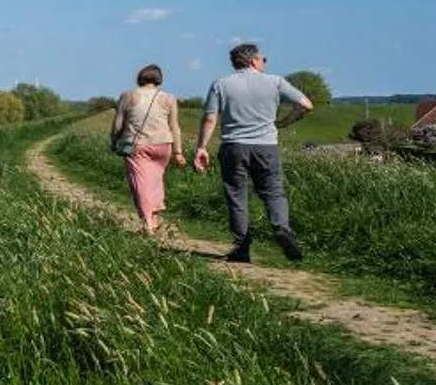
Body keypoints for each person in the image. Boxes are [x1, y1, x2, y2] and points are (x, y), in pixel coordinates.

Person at [193, 41, 311, 262]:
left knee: (237, 196)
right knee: (273, 191)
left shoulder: (221, 84)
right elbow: (306, 104)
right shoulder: (275, 82)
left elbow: (210, 118)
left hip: (233, 145)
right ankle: (281, 227)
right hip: (266, 145)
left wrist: (201, 147)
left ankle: (242, 247)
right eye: (263, 59)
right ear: (254, 60)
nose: (264, 62)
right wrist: (284, 122)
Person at [109, 63, 181, 235]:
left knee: (140, 185)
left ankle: (147, 223)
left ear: (140, 78)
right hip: (163, 145)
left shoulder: (128, 95)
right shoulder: (169, 98)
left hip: (138, 146)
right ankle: (155, 220)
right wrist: (178, 151)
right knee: (155, 181)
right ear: (159, 79)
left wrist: (114, 140)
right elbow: (174, 126)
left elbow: (118, 124)